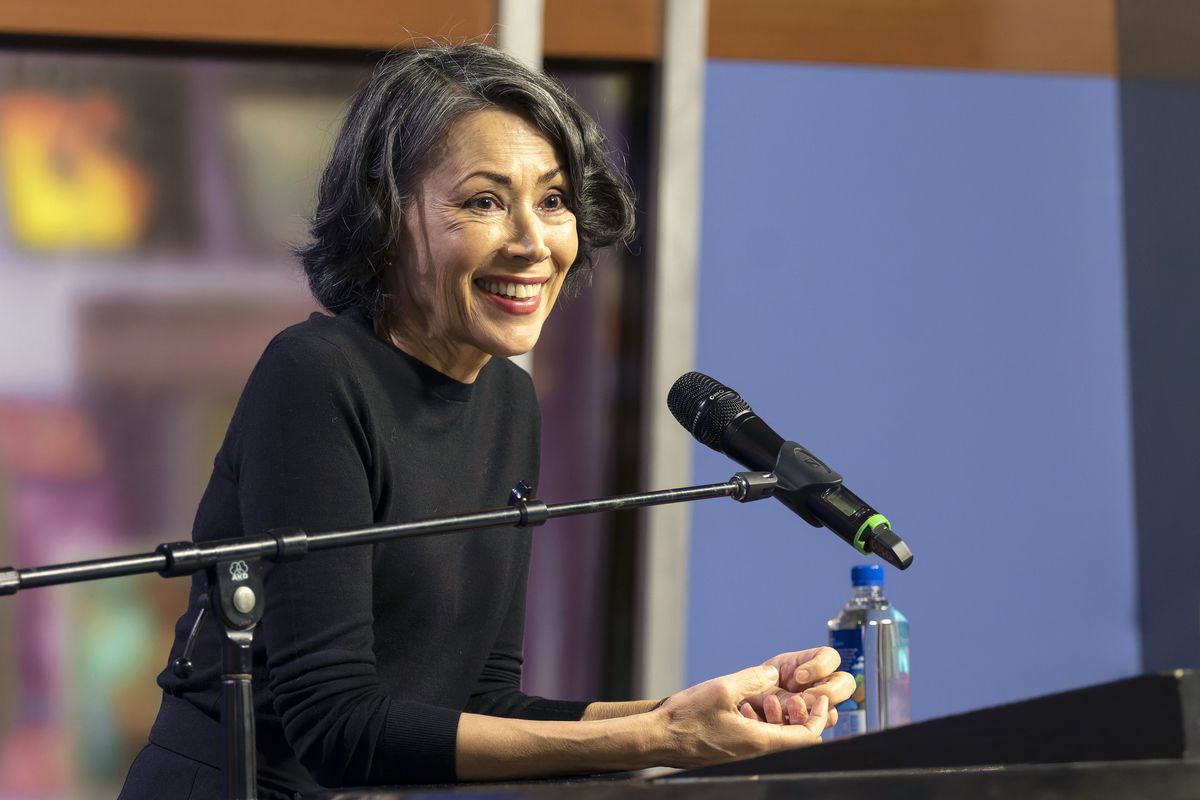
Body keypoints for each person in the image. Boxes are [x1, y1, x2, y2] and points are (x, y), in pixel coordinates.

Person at [119, 43, 854, 799]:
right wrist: (657, 737)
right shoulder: (315, 376)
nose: (533, 243)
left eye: (555, 200)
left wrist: (684, 717)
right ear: (388, 213)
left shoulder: (507, 401)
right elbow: (334, 728)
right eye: (483, 202)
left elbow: (483, 705)